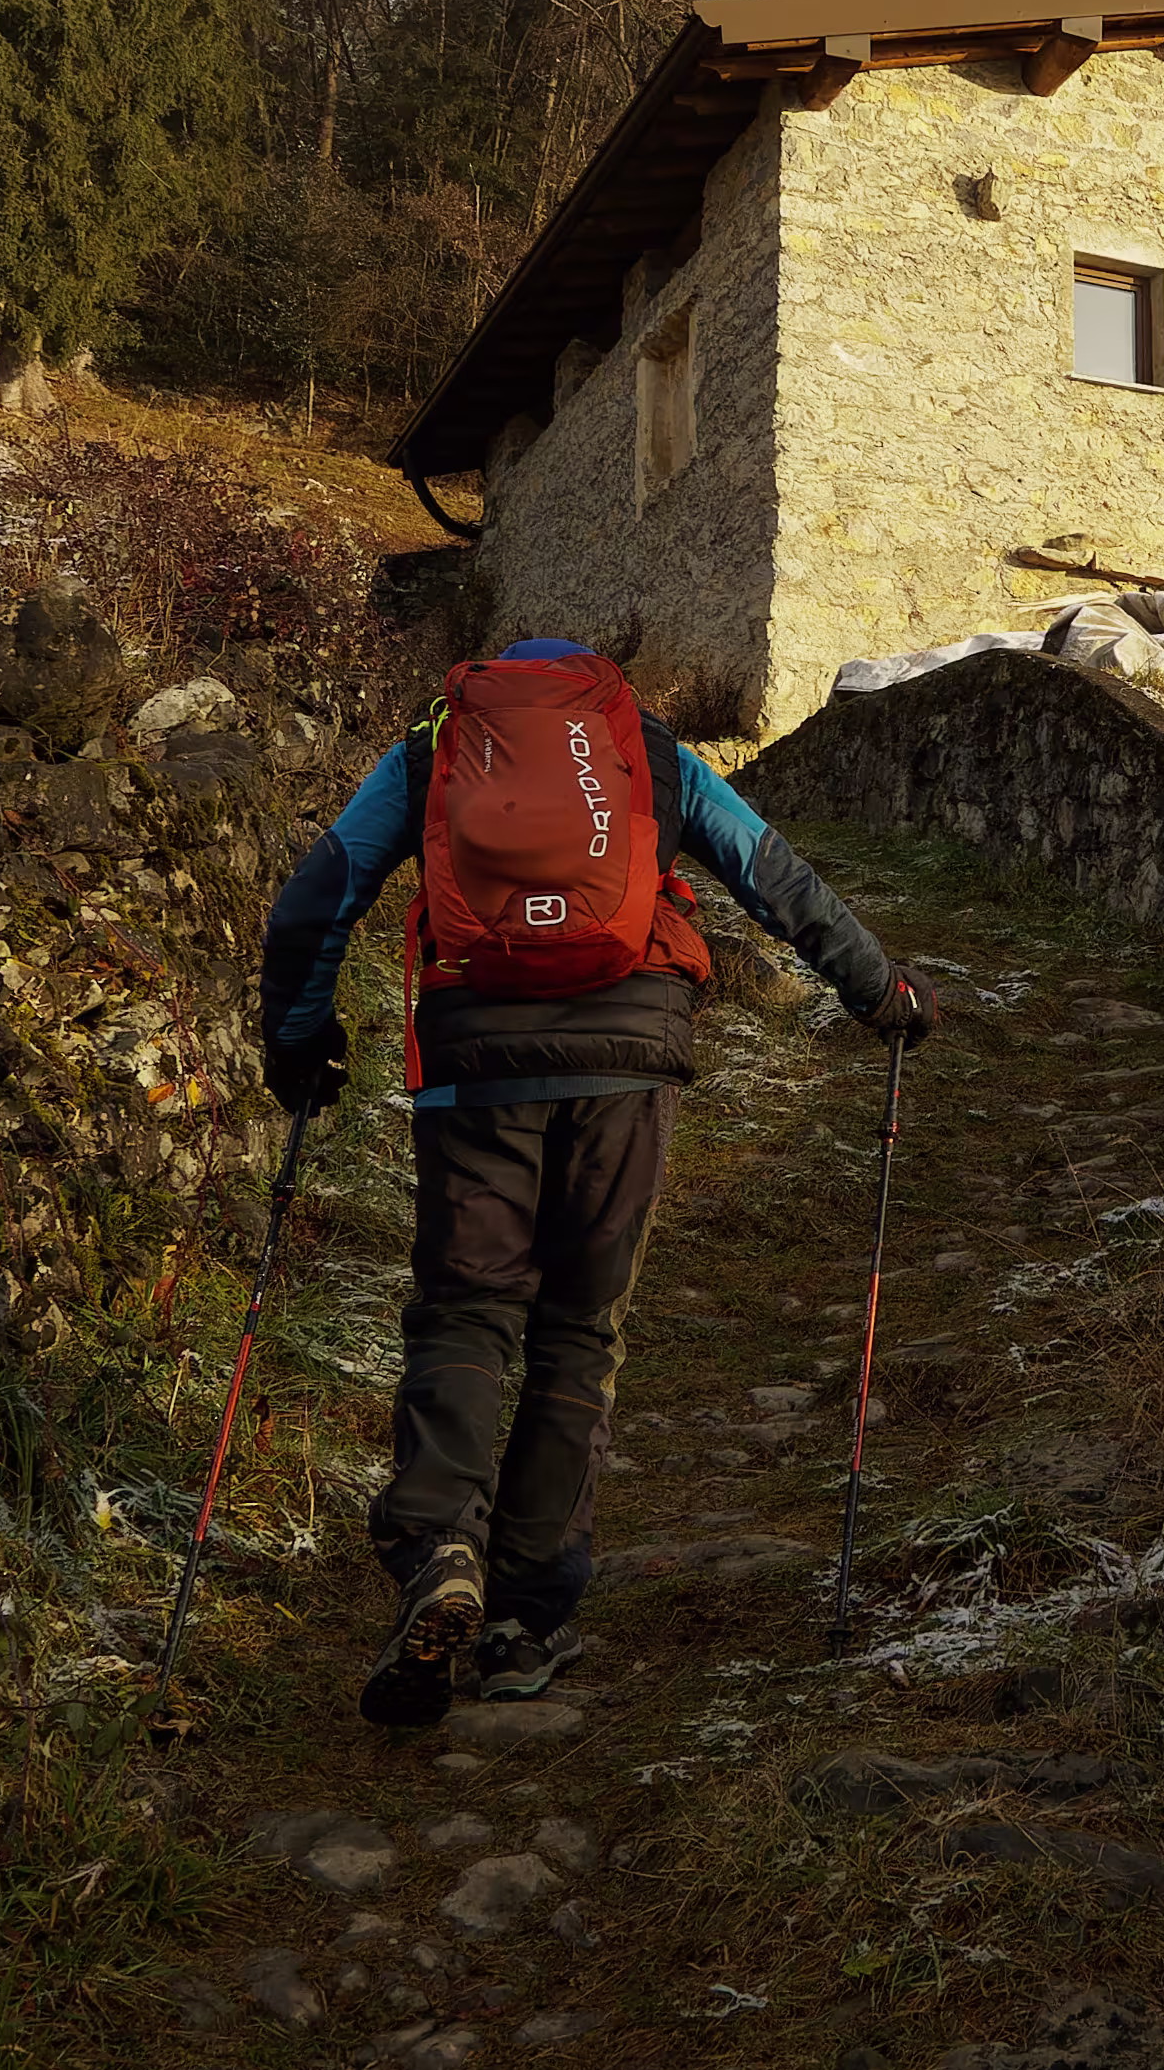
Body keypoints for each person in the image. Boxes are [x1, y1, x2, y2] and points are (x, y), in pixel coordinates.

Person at [259, 637, 930, 1727]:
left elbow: (317, 897)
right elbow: (771, 874)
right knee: (578, 1331)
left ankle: (441, 1554)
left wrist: (299, 1043)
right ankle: (526, 1618)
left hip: (472, 1059)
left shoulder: (434, 749)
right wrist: (881, 991)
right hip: (629, 1056)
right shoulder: (650, 754)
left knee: (467, 1316)